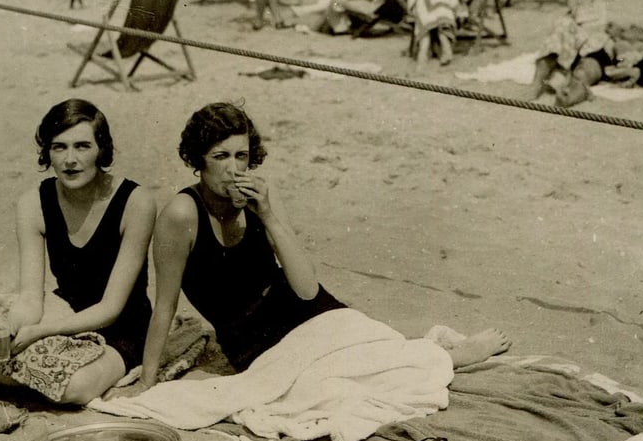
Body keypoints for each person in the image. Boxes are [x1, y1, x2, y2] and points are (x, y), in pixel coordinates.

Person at [136, 102, 511, 388]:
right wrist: (148, 381)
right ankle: (442, 356)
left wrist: (267, 214)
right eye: (220, 157)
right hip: (253, 340)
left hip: (303, 308)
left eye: (242, 156)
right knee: (346, 382)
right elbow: (165, 304)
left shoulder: (261, 197)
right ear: (198, 161)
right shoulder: (181, 214)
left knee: (370, 347)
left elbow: (306, 287)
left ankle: (441, 355)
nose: (234, 169)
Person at [0, 99, 156, 405]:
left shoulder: (136, 202)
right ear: (47, 153)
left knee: (76, 389)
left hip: (123, 328)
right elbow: (30, 297)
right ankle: (10, 371)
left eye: (82, 146)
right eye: (59, 147)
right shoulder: (33, 203)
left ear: (101, 150)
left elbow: (111, 308)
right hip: (63, 311)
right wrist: (15, 326)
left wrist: (41, 332)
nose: (70, 160)